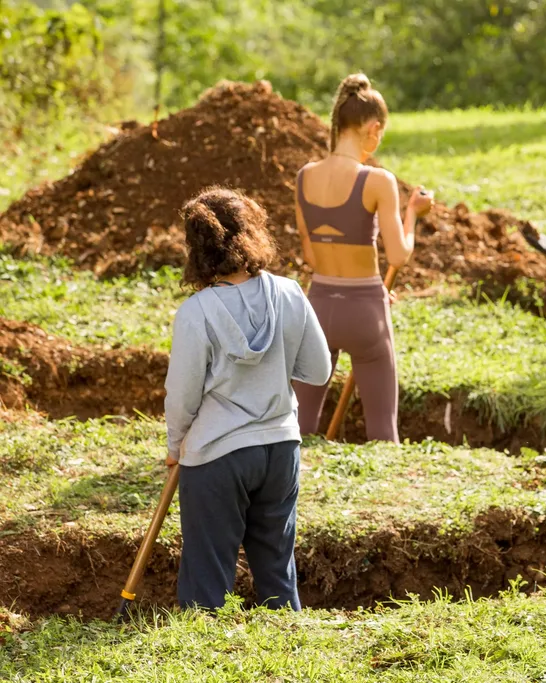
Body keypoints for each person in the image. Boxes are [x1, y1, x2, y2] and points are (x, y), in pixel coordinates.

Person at [165, 187, 332, 611]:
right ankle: (290, 650)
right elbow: (318, 371)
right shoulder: (291, 292)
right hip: (281, 449)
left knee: (208, 572)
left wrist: (173, 446)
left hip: (217, 455)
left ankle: (202, 660)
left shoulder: (196, 311)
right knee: (277, 566)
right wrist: (273, 366)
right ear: (253, 232)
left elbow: (182, 394)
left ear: (198, 248)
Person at [292, 73, 434, 442]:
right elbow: (399, 255)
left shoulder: (304, 177)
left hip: (319, 307)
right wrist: (413, 215)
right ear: (373, 128)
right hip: (366, 311)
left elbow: (310, 255)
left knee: (299, 426)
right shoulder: (377, 180)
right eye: (380, 134)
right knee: (383, 433)